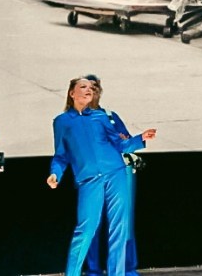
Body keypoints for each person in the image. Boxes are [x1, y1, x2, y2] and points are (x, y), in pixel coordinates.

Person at [47, 76, 156, 276]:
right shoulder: (62, 121)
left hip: (116, 174)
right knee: (85, 229)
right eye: (83, 86)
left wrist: (140, 138)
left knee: (118, 228)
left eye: (91, 87)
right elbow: (61, 155)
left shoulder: (100, 116)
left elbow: (120, 144)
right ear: (72, 93)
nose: (88, 89)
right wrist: (55, 173)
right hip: (89, 180)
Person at [82, 74, 144, 276]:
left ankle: (125, 268)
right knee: (93, 222)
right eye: (86, 88)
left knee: (122, 222)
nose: (91, 92)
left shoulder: (110, 116)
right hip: (93, 176)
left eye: (95, 88)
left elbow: (126, 142)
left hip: (119, 174)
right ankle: (93, 269)